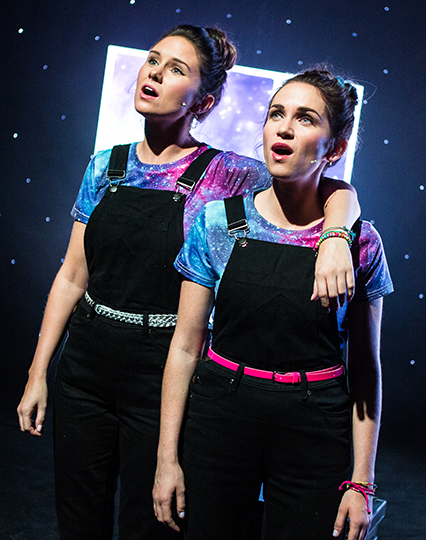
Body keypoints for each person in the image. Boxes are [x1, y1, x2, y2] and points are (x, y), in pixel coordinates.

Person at [15, 26, 362, 540]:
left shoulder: (228, 174)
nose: (153, 72)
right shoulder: (106, 167)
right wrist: (38, 371)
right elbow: (71, 274)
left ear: (205, 99)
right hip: (87, 362)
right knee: (78, 519)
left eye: (176, 68)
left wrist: (336, 233)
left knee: (150, 524)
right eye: (153, 59)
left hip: (163, 367)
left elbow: (330, 185)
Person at [153, 70, 392, 540]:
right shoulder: (220, 223)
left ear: (336, 148)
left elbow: (366, 369)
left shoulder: (360, 243)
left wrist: (360, 483)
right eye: (276, 114)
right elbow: (184, 347)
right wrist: (166, 459)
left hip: (313, 426)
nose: (283, 128)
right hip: (222, 415)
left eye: (305, 119)